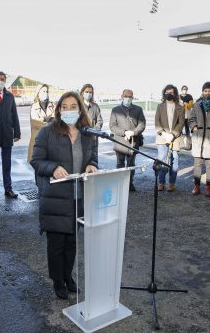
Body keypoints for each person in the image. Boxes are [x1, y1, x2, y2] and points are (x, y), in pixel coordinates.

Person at [30, 91, 97, 299]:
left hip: (79, 196)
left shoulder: (87, 134)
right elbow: (36, 160)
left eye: (73, 106)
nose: (69, 110)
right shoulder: (47, 132)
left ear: (80, 109)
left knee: (71, 243)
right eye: (64, 106)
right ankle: (58, 281)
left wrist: (92, 165)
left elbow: (93, 158)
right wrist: (53, 167)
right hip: (56, 198)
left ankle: (68, 276)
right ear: (59, 109)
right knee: (56, 244)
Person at [109, 89, 146, 192]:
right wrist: (124, 132)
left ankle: (129, 183)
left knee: (131, 164)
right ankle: (120, 184)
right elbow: (112, 126)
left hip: (133, 142)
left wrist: (134, 132)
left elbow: (142, 124)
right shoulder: (115, 110)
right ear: (122, 96)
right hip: (120, 141)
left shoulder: (138, 109)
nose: (128, 98)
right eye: (126, 96)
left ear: (132, 98)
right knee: (120, 164)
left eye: (130, 97)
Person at [155, 84, 185, 192]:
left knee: (174, 162)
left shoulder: (180, 108)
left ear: (175, 94)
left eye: (171, 92)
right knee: (162, 160)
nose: (169, 94)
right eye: (167, 92)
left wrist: (172, 135)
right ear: (164, 93)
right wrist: (164, 134)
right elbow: (157, 122)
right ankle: (161, 182)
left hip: (175, 138)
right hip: (162, 138)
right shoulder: (160, 106)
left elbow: (181, 123)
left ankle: (171, 183)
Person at [27, 84, 54, 163]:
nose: (45, 93)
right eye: (43, 91)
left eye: (47, 91)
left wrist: (47, 120)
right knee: (38, 165)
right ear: (38, 93)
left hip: (51, 141)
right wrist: (47, 119)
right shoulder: (34, 107)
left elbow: (56, 120)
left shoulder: (52, 106)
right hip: (38, 141)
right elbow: (36, 123)